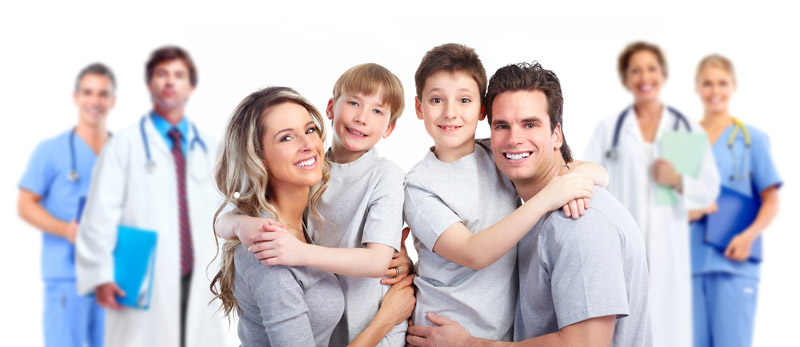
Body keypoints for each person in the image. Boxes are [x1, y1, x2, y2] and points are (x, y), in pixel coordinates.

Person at [407, 61, 652, 347]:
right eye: (502, 126)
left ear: (556, 134)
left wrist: (468, 344)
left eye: (530, 124)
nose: (514, 140)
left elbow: (585, 344)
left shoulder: (579, 222)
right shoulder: (532, 204)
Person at [215, 63, 413, 346]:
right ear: (331, 108)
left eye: (309, 130)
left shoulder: (370, 175)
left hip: (370, 322)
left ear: (389, 127)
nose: (361, 117)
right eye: (354, 103)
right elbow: (228, 218)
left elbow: (378, 261)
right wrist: (238, 223)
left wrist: (402, 261)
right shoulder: (278, 240)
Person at [75, 46, 224, 347]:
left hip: (201, 278)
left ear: (191, 86)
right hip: (141, 278)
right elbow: (99, 215)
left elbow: (226, 212)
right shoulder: (124, 145)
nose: (170, 81)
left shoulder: (211, 148)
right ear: (149, 84)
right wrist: (100, 275)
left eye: (178, 75)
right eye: (161, 74)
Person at [583, 41, 720, 347]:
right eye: (635, 70)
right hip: (621, 248)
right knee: (624, 330)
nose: (644, 76)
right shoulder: (610, 130)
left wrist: (679, 180)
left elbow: (709, 188)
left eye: (651, 68)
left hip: (670, 250)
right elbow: (585, 177)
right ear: (626, 79)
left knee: (668, 328)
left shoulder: (684, 129)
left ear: (663, 74)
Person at [18, 63, 115, 347]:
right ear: (76, 98)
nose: (94, 101)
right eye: (88, 92)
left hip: (113, 276)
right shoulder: (51, 151)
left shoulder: (122, 152)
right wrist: (66, 229)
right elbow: (25, 203)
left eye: (102, 94)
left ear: (112, 100)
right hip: (67, 277)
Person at [688, 54, 781, 347]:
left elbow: (771, 198)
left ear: (734, 86)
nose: (715, 91)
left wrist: (748, 236)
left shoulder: (753, 139)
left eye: (722, 83)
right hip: (687, 265)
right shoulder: (682, 140)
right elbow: (668, 204)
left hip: (735, 264)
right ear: (697, 88)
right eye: (708, 83)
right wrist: (691, 212)